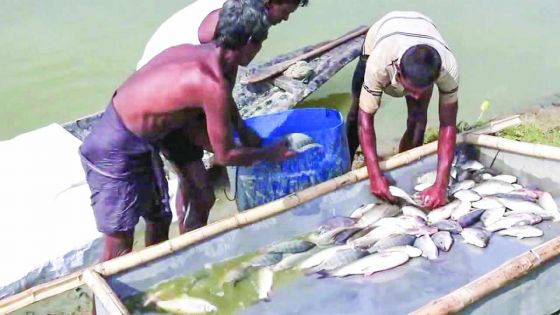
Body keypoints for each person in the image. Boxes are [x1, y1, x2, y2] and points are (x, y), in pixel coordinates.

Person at [80, 0, 296, 261]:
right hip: (113, 147)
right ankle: (104, 300)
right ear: (250, 42)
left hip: (142, 137)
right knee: (120, 244)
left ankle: (161, 273)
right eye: (260, 41)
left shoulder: (202, 54)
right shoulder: (210, 83)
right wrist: (269, 154)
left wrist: (244, 133)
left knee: (160, 218)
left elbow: (224, 104)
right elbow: (224, 155)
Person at [137, 0, 310, 235]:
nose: (286, 18)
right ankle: (191, 241)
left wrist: (243, 130)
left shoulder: (244, 21)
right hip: (162, 94)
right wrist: (261, 153)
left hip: (177, 86)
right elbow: (216, 85)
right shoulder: (226, 26)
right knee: (201, 190)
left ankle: (187, 228)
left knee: (195, 180)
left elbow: (224, 82)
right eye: (287, 11)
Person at [347, 11, 459, 209]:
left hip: (424, 28)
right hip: (381, 35)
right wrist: (374, 174)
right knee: (356, 112)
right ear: (398, 72)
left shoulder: (447, 68)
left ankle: (405, 170)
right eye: (410, 90)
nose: (414, 96)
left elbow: (448, 124)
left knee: (417, 120)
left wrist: (441, 185)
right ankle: (346, 166)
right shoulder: (379, 63)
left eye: (420, 91)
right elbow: (366, 120)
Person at [137, 0, 310, 69]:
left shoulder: (244, 9)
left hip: (166, 66)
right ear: (270, 3)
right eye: (285, 11)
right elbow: (241, 61)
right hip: (160, 72)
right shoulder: (236, 17)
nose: (286, 18)